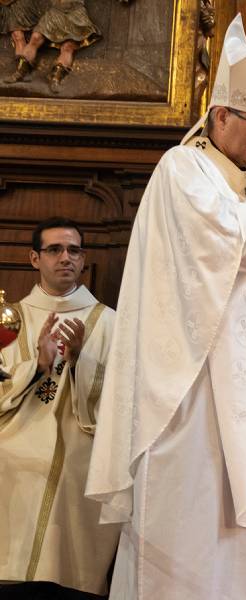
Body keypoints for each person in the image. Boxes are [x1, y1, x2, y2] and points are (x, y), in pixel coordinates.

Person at [85, 14, 246, 600]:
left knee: (237, 551)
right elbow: (220, 248)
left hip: (244, 402)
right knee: (187, 536)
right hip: (189, 395)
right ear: (220, 113)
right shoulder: (184, 169)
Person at [0, 217, 119, 598]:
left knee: (74, 471)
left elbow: (124, 397)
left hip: (84, 439)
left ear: (83, 259)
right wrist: (36, 364)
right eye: (54, 249)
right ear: (34, 258)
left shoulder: (109, 323)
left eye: (74, 250)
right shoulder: (10, 319)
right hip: (13, 437)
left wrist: (82, 359)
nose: (65, 257)